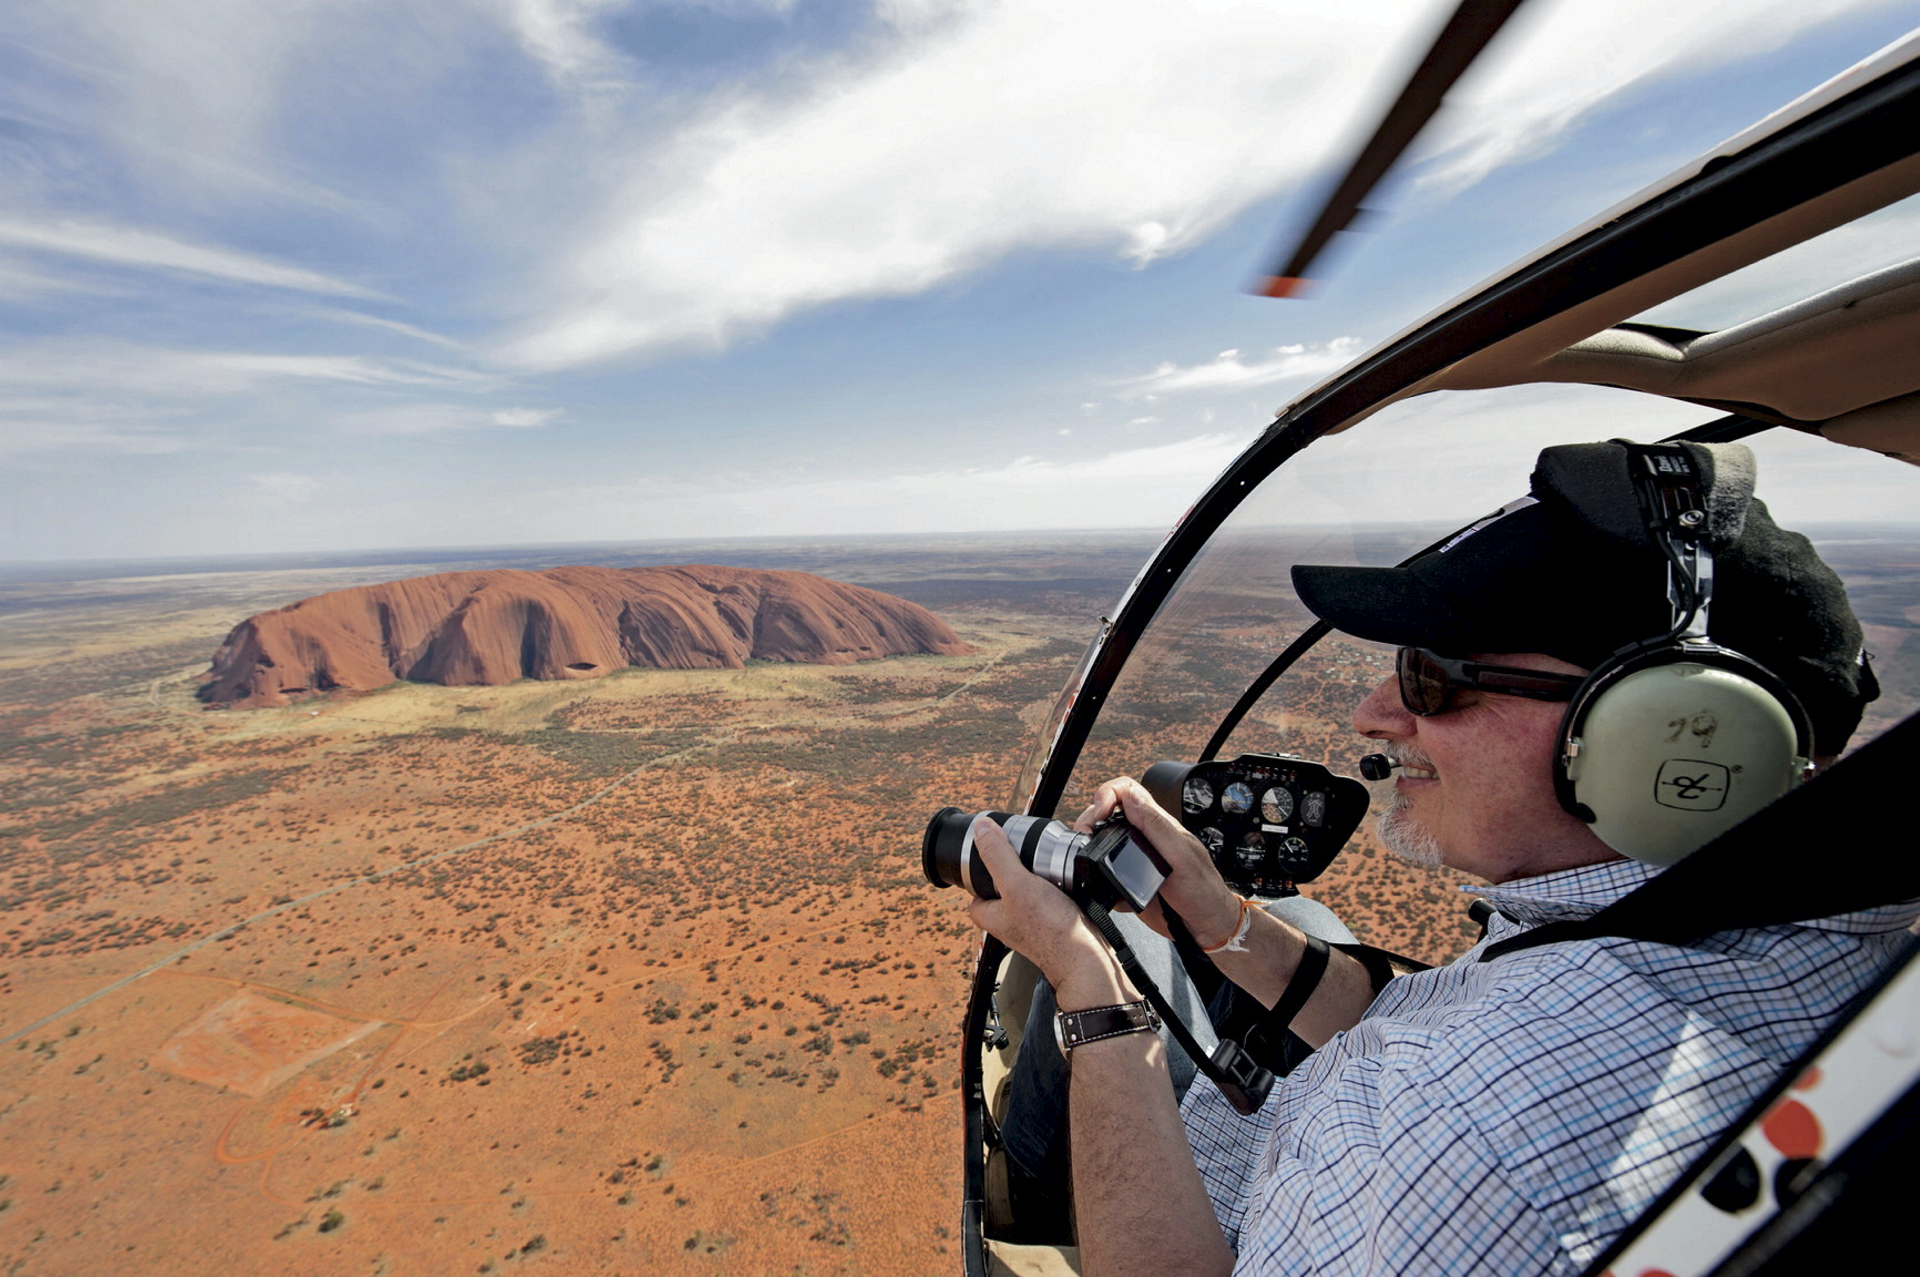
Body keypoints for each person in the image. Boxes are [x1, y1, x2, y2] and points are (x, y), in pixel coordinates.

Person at [968, 444, 1909, 1276]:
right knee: (1282, 924)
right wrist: (1224, 923)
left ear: (1654, 738)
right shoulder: (1723, 927)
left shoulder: (1480, 1139)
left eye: (1430, 676)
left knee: (1091, 959)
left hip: (1217, 1215)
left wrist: (1096, 998)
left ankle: (1021, 1207)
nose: (1374, 715)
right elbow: (1434, 1006)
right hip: (1320, 1134)